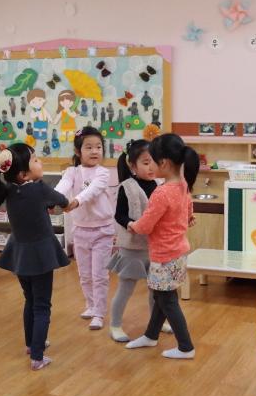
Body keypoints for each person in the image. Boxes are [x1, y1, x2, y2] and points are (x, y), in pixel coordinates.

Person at [0, 143, 71, 370]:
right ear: (23, 174)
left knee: (30, 300)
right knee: (42, 305)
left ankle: (31, 344)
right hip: (40, 256)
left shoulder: (10, 190)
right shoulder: (39, 189)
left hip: (19, 255)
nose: (40, 162)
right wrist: (69, 204)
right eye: (35, 160)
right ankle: (37, 356)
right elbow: (62, 200)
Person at [125, 133, 198, 359]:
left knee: (167, 300)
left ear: (163, 163)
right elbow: (188, 211)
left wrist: (133, 225)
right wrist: (188, 218)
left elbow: (146, 225)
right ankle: (151, 335)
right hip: (178, 252)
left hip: (165, 255)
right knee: (161, 295)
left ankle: (186, 347)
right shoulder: (183, 185)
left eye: (152, 162)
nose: (150, 166)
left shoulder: (162, 192)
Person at [107, 139, 169, 343]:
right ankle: (115, 325)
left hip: (154, 248)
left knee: (156, 290)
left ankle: (156, 323)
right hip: (132, 248)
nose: (151, 167)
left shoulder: (160, 185)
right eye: (145, 162)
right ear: (133, 166)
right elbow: (119, 215)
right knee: (125, 289)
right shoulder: (126, 187)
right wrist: (130, 224)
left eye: (154, 162)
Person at [54, 126, 114, 331]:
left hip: (102, 231)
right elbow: (62, 187)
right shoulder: (71, 172)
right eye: (89, 147)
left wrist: (75, 202)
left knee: (99, 275)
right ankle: (91, 305)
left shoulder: (103, 173)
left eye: (98, 147)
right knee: (85, 274)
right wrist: (53, 199)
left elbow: (92, 190)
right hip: (80, 231)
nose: (95, 151)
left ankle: (99, 312)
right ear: (78, 151)